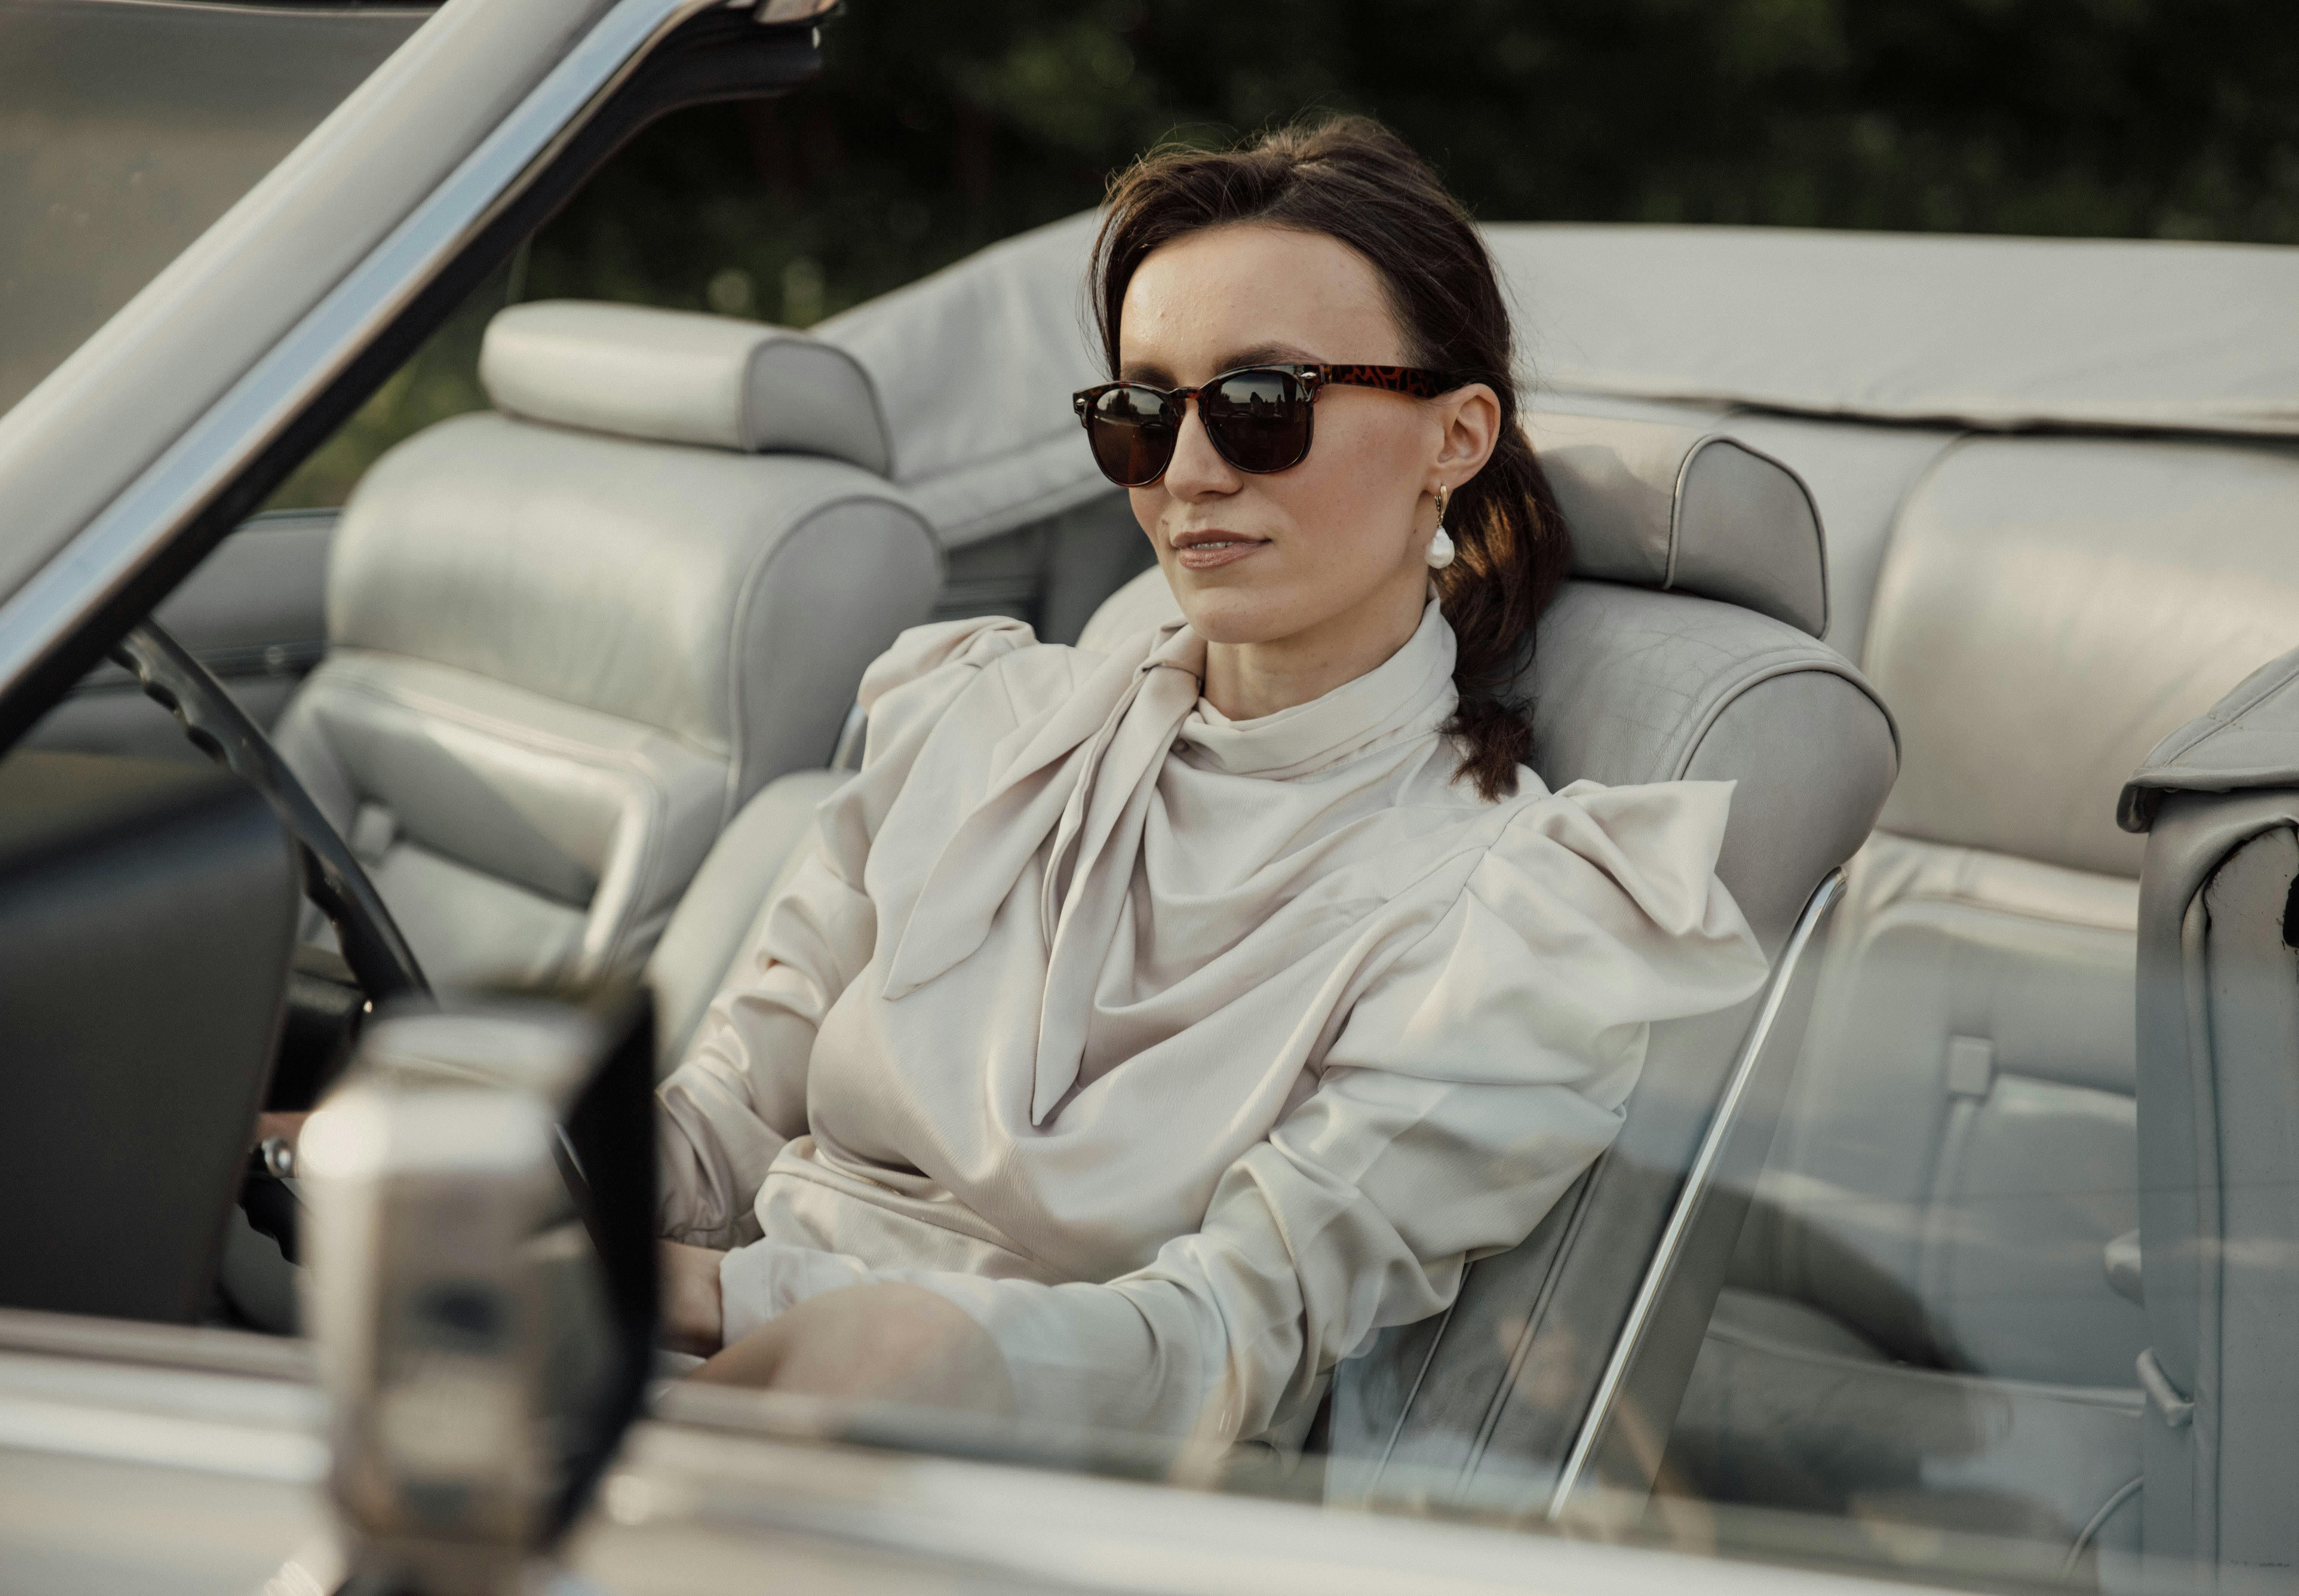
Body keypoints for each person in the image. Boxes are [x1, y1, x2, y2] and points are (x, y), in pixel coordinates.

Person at [653, 116, 1766, 1446]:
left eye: (1262, 406)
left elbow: (1223, 1346)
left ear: (1457, 435)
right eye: (1139, 413)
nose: (1185, 474)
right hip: (686, 1371)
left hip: (1014, 1483)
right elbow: (718, 1128)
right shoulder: (963, 716)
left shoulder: (1514, 922)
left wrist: (764, 1303)